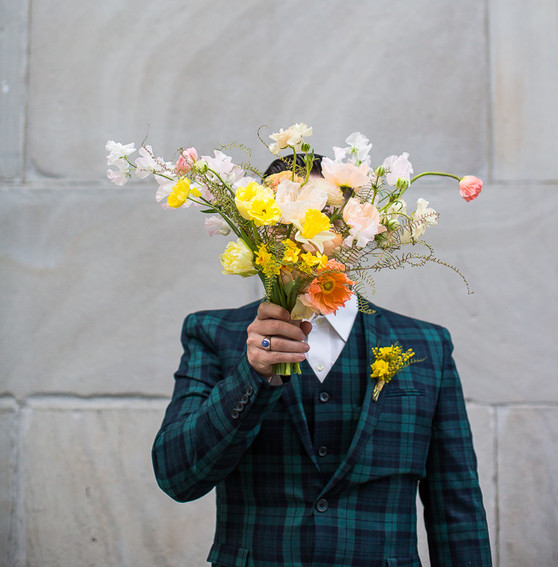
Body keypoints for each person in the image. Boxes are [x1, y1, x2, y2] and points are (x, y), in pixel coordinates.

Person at [152, 157, 492, 567]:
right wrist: (252, 374)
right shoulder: (212, 334)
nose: (301, 233)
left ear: (355, 230)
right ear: (257, 233)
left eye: (322, 214)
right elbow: (177, 477)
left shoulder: (427, 345)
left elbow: (456, 504)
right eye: (284, 217)